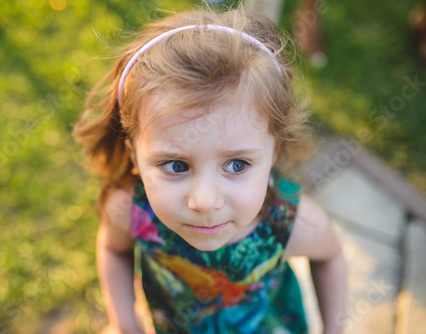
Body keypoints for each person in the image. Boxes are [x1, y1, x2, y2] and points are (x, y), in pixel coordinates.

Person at [73, 7, 346, 334]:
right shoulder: (129, 210)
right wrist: (125, 323)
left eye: (236, 164)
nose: (204, 201)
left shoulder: (290, 225)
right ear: (135, 156)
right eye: (176, 165)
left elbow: (329, 257)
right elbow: (113, 249)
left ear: (274, 151)